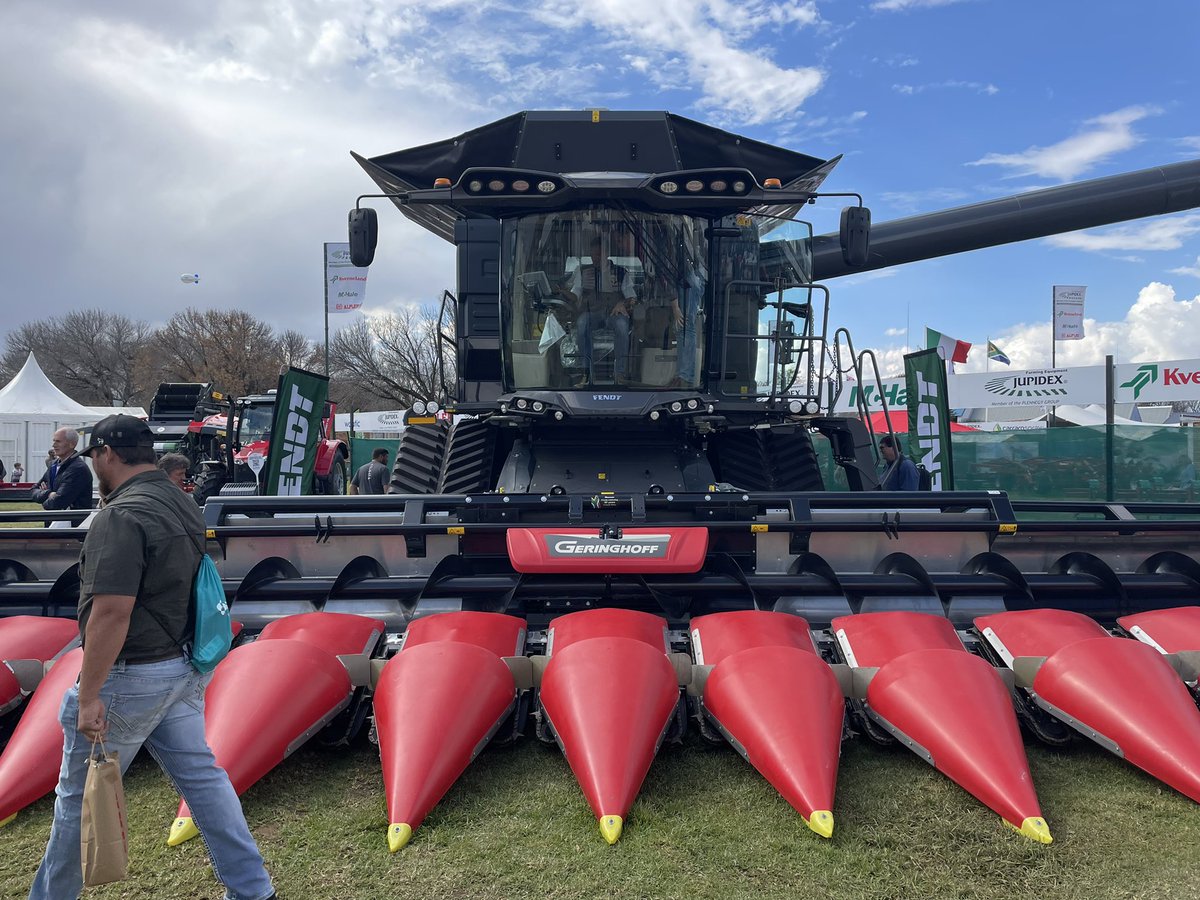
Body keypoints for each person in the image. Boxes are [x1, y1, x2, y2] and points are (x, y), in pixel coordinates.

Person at [28, 415, 275, 900]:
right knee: (204, 782)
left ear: (106, 454)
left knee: (78, 804)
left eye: (94, 457)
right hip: (182, 666)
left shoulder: (120, 515)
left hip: (130, 675)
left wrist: (89, 695)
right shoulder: (181, 501)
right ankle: (253, 889)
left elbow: (111, 612)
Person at [564, 234, 637, 384]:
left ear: (607, 253)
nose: (595, 258)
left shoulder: (621, 273)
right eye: (593, 255)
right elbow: (575, 295)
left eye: (598, 254)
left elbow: (632, 298)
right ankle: (587, 372)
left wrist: (622, 303)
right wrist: (562, 292)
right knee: (582, 323)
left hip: (614, 314)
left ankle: (620, 373)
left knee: (622, 325)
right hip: (593, 314)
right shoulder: (583, 272)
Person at [30, 427, 94, 519]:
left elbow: (58, 502)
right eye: (54, 441)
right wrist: (49, 494)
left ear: (72, 444)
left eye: (58, 441)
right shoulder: (53, 465)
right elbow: (33, 490)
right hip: (54, 521)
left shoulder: (78, 469)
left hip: (71, 524)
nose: (53, 445)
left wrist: (44, 499)